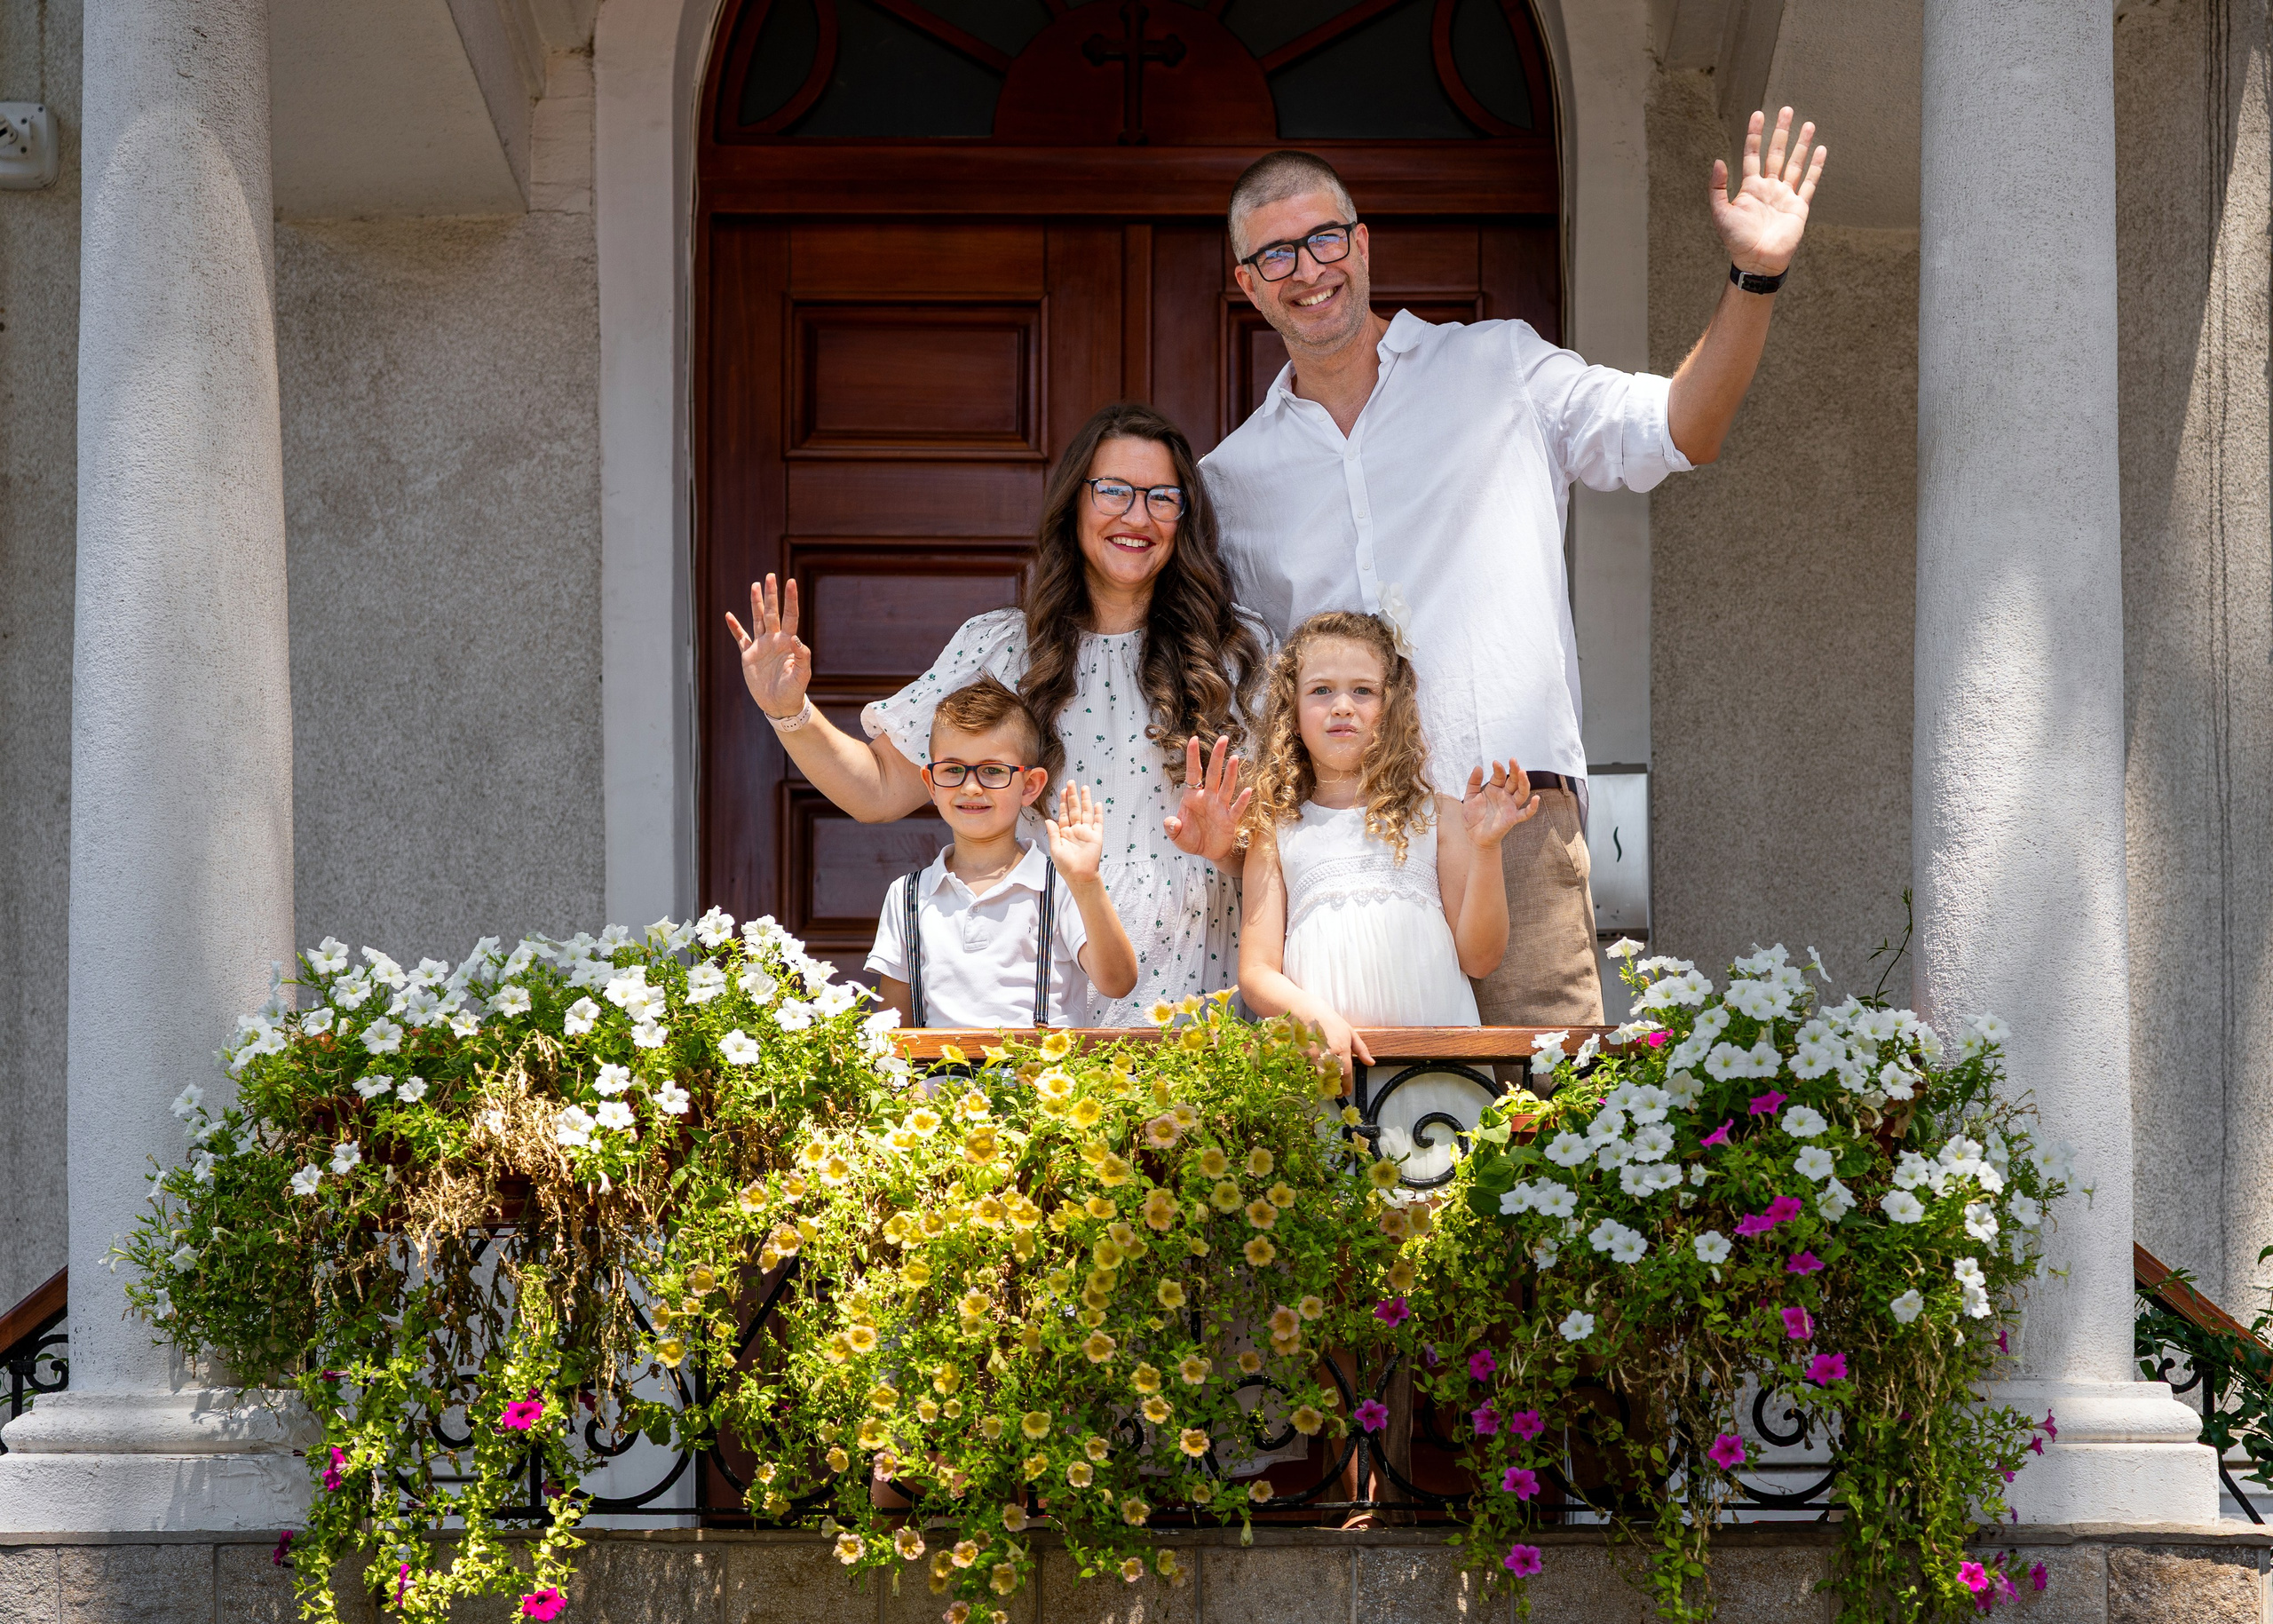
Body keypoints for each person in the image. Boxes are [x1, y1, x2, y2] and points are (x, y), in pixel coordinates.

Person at [1197, 111, 1828, 1027]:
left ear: (1361, 241)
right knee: (1347, 1148)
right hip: (1343, 857)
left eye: (1323, 237)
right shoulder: (1232, 480)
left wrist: (1755, 274)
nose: (1308, 270)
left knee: (1546, 1122)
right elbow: (1251, 687)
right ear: (1245, 283)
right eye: (1276, 255)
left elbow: (1682, 428)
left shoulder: (1499, 366)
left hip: (1513, 821)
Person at [726, 402, 1267, 1025]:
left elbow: (1283, 854)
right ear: (1075, 504)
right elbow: (876, 789)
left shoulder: (1235, 656)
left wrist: (1229, 850)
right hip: (1040, 1005)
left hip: (1199, 993)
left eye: (1161, 497)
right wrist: (787, 709)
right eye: (1114, 490)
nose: (1136, 516)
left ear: (1185, 517)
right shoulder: (1002, 648)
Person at [1238, 612, 1538, 1073]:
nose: (1342, 706)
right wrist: (1314, 1018)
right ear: (1291, 715)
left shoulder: (1437, 815)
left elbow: (1480, 959)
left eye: (1363, 690)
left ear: (1391, 708)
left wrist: (1486, 848)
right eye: (1321, 690)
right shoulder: (1275, 829)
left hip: (1438, 1069)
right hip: (1331, 1072)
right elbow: (1257, 973)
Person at [864, 677, 1137, 1027]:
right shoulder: (908, 896)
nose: (972, 787)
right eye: (953, 770)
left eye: (993, 771)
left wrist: (1086, 882)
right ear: (931, 784)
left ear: (1030, 786)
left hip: (1039, 1079)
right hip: (937, 1082)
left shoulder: (1061, 887)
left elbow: (1117, 983)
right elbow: (893, 1027)